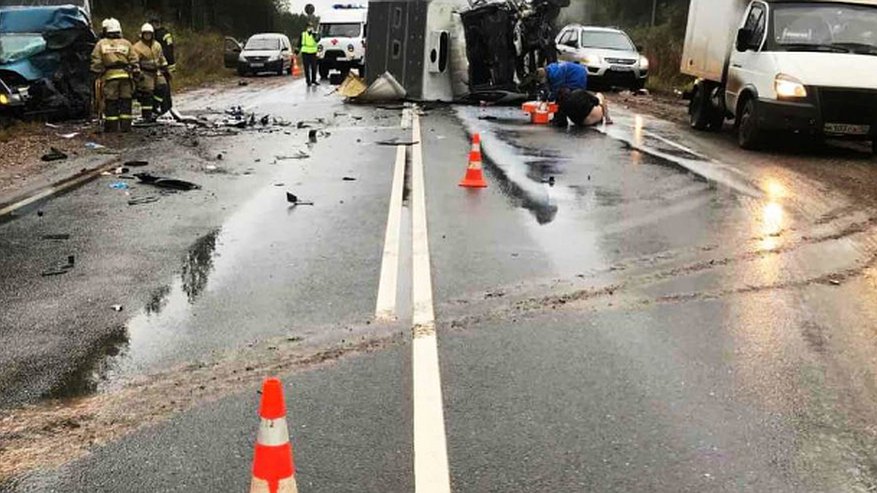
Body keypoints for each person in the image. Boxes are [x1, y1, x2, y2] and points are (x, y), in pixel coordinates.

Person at [91, 19, 139, 133]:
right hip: (126, 77)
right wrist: (135, 72)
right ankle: (126, 127)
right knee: (126, 101)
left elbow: (96, 61)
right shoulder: (126, 43)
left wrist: (96, 72)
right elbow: (134, 59)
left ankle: (112, 127)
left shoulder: (101, 44)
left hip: (110, 77)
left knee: (111, 102)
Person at [537, 62, 612, 127]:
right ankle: (608, 119)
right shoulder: (551, 71)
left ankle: (560, 120)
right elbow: (550, 87)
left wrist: (548, 99)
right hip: (590, 113)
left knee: (563, 97)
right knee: (567, 98)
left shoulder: (556, 75)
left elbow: (555, 89)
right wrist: (545, 97)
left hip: (577, 76)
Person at [133, 23, 169, 122]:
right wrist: (137, 73)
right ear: (142, 34)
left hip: (156, 71)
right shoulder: (137, 47)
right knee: (147, 93)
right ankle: (146, 115)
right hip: (145, 72)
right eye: (146, 34)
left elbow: (161, 58)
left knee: (162, 86)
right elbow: (134, 61)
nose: (147, 36)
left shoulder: (157, 45)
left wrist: (165, 68)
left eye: (149, 34)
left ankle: (155, 106)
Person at [149, 14, 175, 114]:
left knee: (164, 86)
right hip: (154, 66)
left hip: (163, 65)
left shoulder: (164, 34)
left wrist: (169, 66)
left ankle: (166, 107)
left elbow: (169, 50)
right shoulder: (151, 34)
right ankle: (157, 107)